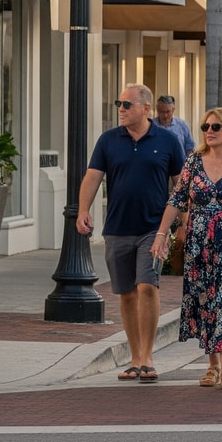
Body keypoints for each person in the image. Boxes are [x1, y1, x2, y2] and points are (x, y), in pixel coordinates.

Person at [76, 83, 185, 383]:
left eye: (127, 104)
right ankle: (135, 357)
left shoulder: (167, 141)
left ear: (145, 108)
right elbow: (92, 177)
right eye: (119, 104)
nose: (121, 110)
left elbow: (181, 185)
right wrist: (83, 210)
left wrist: (185, 222)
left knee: (147, 287)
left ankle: (148, 358)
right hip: (118, 229)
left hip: (154, 229)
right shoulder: (109, 140)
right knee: (126, 294)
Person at [151, 108, 222, 390]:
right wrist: (161, 234)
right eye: (205, 126)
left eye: (215, 126)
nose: (209, 131)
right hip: (199, 243)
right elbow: (176, 199)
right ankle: (212, 365)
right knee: (205, 302)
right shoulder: (193, 161)